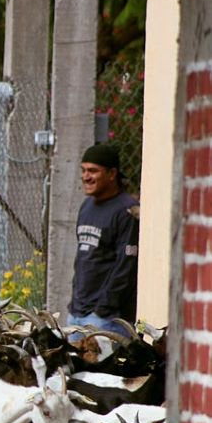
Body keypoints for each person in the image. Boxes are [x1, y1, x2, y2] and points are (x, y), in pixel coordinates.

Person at [67, 143, 140, 338]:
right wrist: (76, 306)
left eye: (93, 171)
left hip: (105, 319)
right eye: (83, 170)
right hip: (77, 314)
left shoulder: (127, 210)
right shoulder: (87, 206)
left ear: (111, 174)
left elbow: (126, 267)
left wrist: (102, 310)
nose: (85, 176)